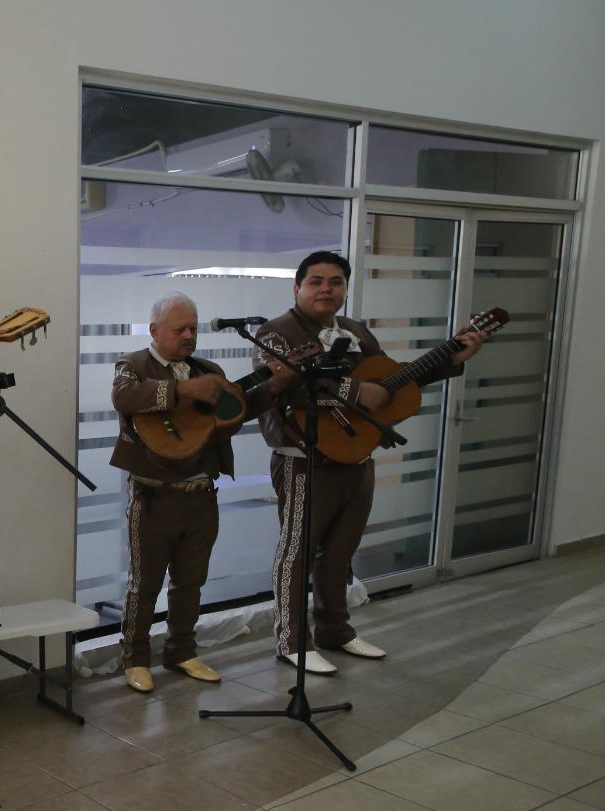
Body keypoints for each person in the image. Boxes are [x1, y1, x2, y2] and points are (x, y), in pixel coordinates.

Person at [255, 251, 487, 674]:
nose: (326, 289)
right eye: (316, 281)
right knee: (297, 552)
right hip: (304, 458)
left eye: (336, 282)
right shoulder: (276, 332)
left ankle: (335, 630)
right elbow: (287, 388)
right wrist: (358, 392)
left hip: (356, 454)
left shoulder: (356, 332)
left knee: (341, 551)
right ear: (297, 287)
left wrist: (450, 360)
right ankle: (291, 640)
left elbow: (390, 382)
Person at [110, 292, 292, 693]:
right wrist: (184, 391)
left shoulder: (209, 371)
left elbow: (229, 416)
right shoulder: (133, 364)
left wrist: (272, 389)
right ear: (155, 330)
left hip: (201, 494)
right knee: (144, 584)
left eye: (193, 328)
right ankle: (135, 658)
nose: (189, 336)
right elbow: (123, 397)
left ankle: (181, 651)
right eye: (180, 329)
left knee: (190, 580)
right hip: (152, 497)